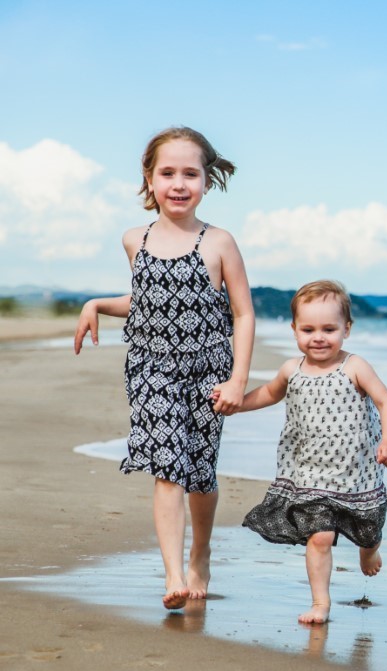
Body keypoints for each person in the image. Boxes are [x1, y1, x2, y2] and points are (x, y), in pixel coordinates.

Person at [74, 126, 255, 610]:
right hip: (152, 368)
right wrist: (98, 303)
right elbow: (147, 301)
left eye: (190, 173)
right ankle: (173, 574)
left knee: (200, 475)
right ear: (149, 179)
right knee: (167, 466)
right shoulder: (136, 239)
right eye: (168, 173)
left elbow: (243, 313)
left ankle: (201, 551)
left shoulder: (219, 242)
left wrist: (238, 379)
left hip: (208, 371)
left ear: (206, 180)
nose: (179, 183)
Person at [236, 280, 387, 625]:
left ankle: (370, 551)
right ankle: (320, 602)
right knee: (320, 535)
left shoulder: (355, 367)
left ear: (347, 329)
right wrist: (237, 404)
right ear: (294, 329)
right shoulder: (291, 370)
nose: (318, 337)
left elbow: (385, 402)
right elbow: (267, 394)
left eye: (329, 329)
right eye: (308, 329)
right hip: (309, 471)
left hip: (356, 474)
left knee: (366, 529)